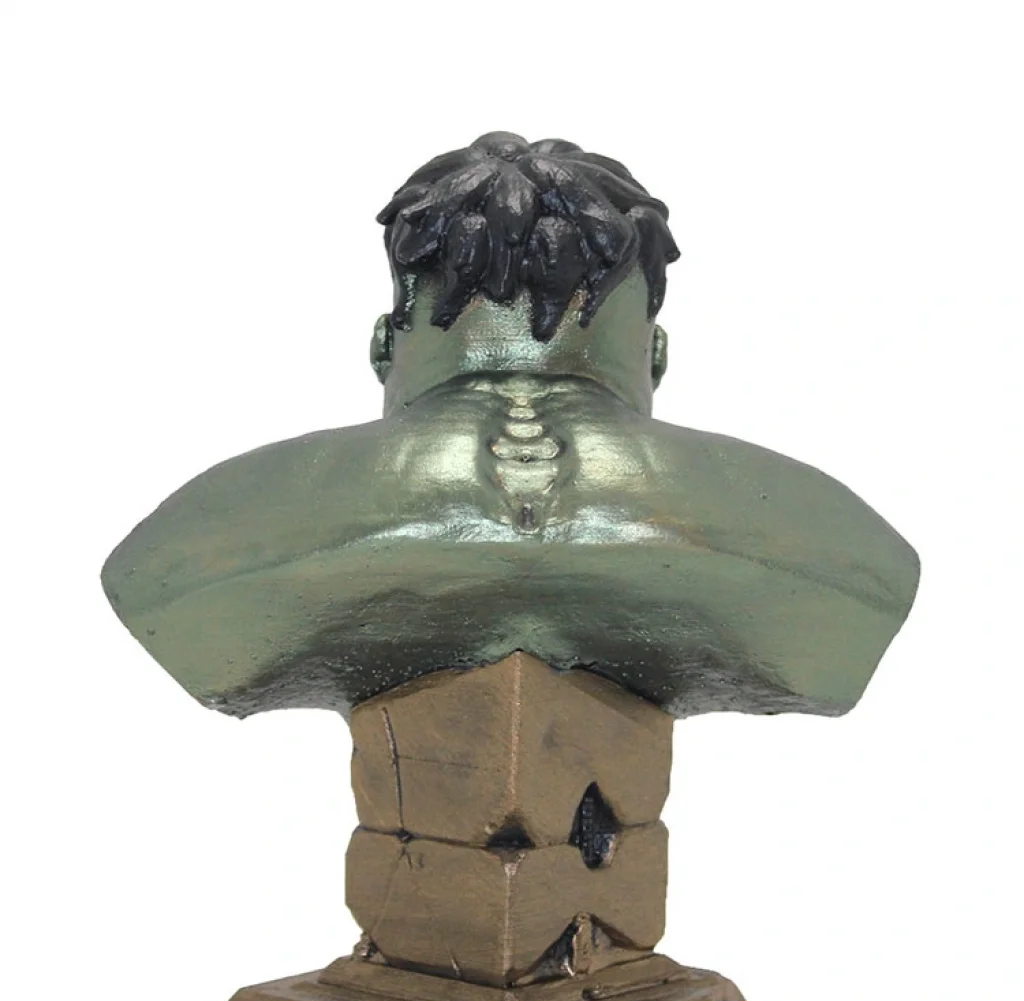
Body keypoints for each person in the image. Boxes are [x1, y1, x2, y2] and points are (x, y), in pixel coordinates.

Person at [102, 133, 918, 720]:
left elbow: (150, 585)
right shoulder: (835, 538)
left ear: (383, 344)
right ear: (657, 354)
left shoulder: (202, 534)